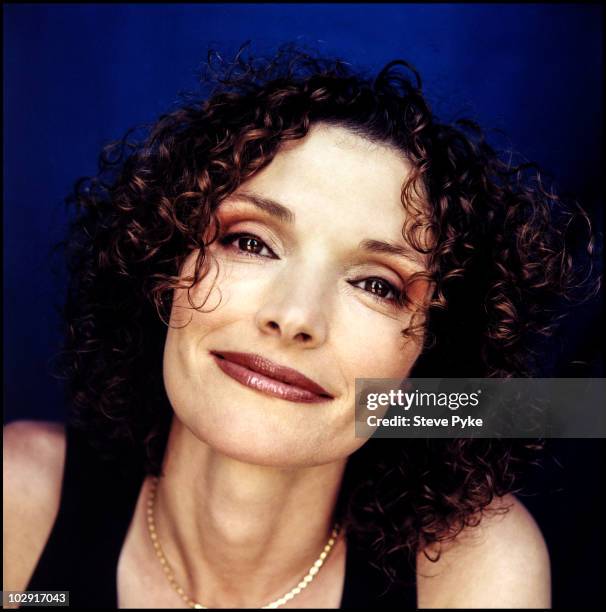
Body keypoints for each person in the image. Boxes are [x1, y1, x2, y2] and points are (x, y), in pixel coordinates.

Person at [4, 44, 596, 608]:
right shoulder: (19, 503)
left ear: (429, 357)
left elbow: (578, 408)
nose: (294, 318)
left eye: (377, 285)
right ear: (163, 269)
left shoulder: (473, 568)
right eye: (251, 242)